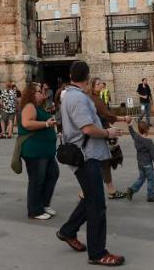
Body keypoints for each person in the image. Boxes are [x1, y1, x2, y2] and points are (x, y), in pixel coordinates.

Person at [56, 60, 124, 267]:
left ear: (71, 76)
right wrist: (108, 132)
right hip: (86, 157)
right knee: (97, 206)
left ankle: (67, 231)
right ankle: (97, 253)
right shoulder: (78, 98)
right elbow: (87, 128)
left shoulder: (69, 95)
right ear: (87, 77)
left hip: (85, 155)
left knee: (90, 200)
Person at [19, 82, 59, 220]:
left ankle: (43, 204)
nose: (43, 92)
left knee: (52, 174)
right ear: (31, 93)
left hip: (44, 151)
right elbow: (27, 123)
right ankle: (34, 210)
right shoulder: (29, 106)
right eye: (39, 91)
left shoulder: (38, 107)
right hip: (35, 151)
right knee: (37, 179)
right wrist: (46, 124)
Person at [88, 77, 131, 200]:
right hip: (99, 134)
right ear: (93, 86)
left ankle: (109, 190)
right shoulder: (95, 99)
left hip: (99, 131)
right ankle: (85, 192)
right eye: (98, 83)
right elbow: (107, 115)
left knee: (102, 162)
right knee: (99, 162)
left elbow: (103, 117)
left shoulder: (93, 98)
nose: (102, 85)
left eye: (101, 83)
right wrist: (123, 119)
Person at [125, 120, 154, 202]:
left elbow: (132, 132)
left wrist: (130, 125)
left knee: (141, 178)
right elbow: (153, 154)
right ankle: (150, 196)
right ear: (147, 130)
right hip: (148, 164)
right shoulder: (149, 142)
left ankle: (131, 190)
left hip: (140, 163)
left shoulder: (136, 138)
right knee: (150, 180)